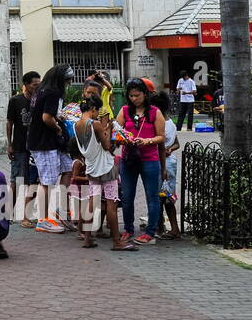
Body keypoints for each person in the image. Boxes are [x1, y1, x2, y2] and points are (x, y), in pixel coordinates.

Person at [72, 96, 135, 251]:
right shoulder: (96, 124)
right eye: (97, 110)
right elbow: (107, 146)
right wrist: (108, 130)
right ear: (93, 109)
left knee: (92, 203)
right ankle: (117, 241)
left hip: (91, 167)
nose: (98, 113)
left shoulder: (76, 125)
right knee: (111, 204)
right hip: (106, 167)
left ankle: (87, 238)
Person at [114, 78, 165, 246]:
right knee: (127, 197)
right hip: (128, 159)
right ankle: (128, 229)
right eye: (131, 95)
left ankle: (150, 232)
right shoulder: (125, 111)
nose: (134, 98)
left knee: (152, 197)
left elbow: (161, 137)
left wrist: (147, 141)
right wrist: (124, 139)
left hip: (149, 159)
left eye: (137, 95)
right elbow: (116, 132)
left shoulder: (155, 112)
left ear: (145, 94)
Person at [27, 64, 73, 233]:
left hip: (50, 142)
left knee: (68, 168)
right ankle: (43, 219)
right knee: (47, 181)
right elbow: (46, 117)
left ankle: (60, 210)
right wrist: (58, 128)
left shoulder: (42, 90)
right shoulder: (53, 92)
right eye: (67, 81)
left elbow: (47, 112)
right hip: (44, 142)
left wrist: (59, 116)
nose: (67, 84)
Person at [6, 71, 40, 226]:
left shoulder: (38, 100)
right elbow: (9, 123)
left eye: (39, 84)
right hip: (19, 146)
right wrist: (9, 144)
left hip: (34, 147)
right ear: (26, 85)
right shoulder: (15, 101)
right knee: (16, 181)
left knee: (32, 181)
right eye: (34, 84)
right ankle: (8, 213)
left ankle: (27, 214)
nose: (37, 87)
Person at [150, 90, 182, 239]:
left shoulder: (160, 123)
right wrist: (170, 149)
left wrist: (165, 152)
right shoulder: (171, 123)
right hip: (169, 162)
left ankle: (169, 228)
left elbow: (161, 146)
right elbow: (176, 144)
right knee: (164, 197)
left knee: (163, 198)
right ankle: (162, 226)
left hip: (164, 164)